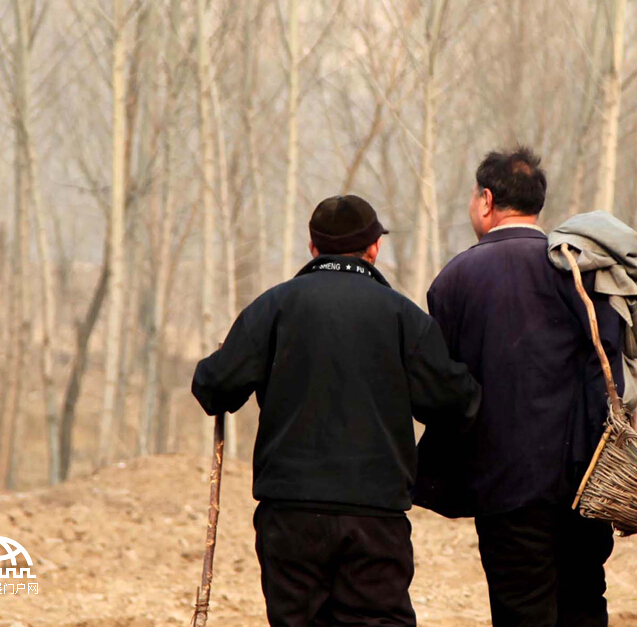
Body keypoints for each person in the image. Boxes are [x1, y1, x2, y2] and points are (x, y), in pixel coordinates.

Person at [192, 194, 481, 627]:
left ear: (313, 249)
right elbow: (457, 402)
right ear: (374, 249)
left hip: (289, 517)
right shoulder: (404, 317)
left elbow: (213, 388)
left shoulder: (272, 308)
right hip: (374, 518)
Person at [414, 147, 625, 627]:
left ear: (486, 200)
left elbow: (444, 390)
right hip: (588, 486)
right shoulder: (581, 270)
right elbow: (610, 373)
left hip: (505, 488)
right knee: (585, 607)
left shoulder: (455, 281)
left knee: (521, 611)